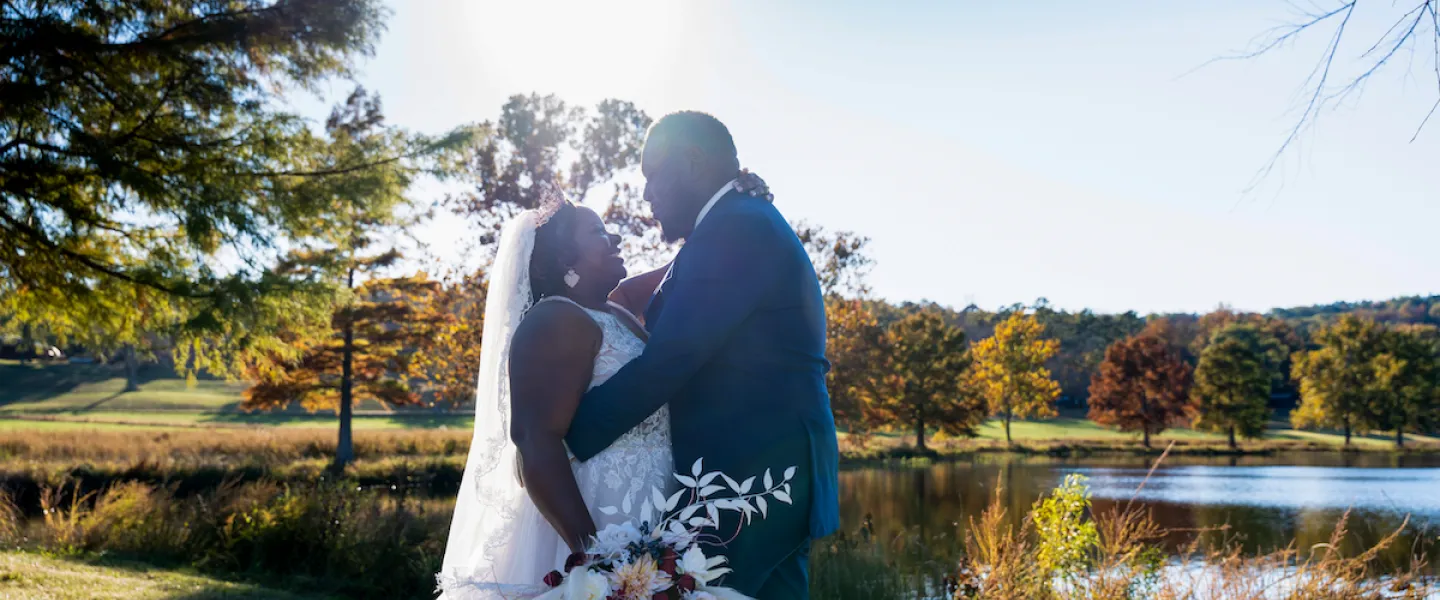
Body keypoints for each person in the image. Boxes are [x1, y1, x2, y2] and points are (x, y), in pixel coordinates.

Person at [437, 171, 774, 599]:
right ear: (565, 262)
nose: (614, 237)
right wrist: (596, 559)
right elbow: (533, 439)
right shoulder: (555, 320)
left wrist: (725, 210)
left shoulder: (616, 312)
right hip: (597, 525)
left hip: (649, 519)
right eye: (598, 232)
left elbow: (685, 270)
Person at [565, 112, 840, 599]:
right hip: (768, 474)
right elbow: (655, 301)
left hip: (752, 480)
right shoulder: (733, 223)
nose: (646, 194)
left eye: (653, 174)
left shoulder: (737, 228)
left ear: (692, 162)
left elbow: (669, 363)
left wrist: (566, 436)